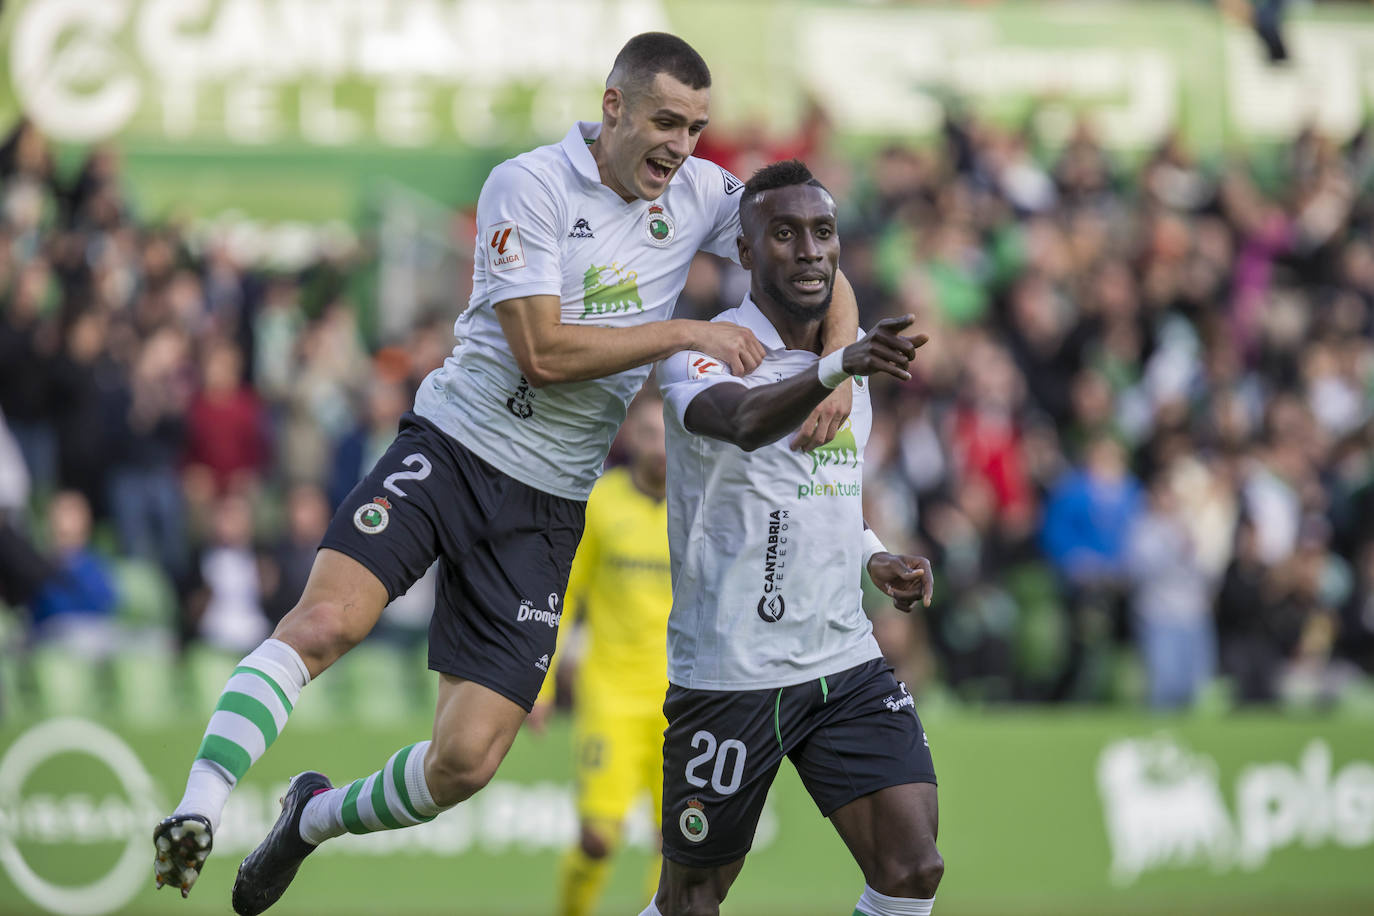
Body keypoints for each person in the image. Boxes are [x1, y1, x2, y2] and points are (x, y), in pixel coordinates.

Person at [153, 32, 864, 913]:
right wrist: (687, 330)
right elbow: (540, 352)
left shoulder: (700, 193)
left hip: (549, 502)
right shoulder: (525, 185)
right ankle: (197, 807)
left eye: (696, 128)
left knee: (466, 762)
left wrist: (836, 368)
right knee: (329, 621)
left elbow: (814, 259)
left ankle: (309, 819)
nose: (681, 146)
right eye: (665, 122)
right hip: (452, 449)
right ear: (613, 108)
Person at [643, 160, 943, 916]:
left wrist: (875, 554)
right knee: (693, 898)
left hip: (842, 659)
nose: (808, 250)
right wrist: (839, 365)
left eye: (822, 232)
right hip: (732, 672)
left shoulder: (849, 370)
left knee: (912, 868)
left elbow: (824, 490)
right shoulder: (702, 350)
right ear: (745, 253)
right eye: (783, 234)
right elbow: (743, 425)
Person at [530, 391, 673, 916]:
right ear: (630, 438)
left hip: (678, 704)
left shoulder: (698, 506)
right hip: (609, 695)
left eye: (667, 436)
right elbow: (564, 599)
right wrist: (542, 685)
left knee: (678, 844)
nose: (659, 448)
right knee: (597, 840)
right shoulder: (601, 503)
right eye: (649, 435)